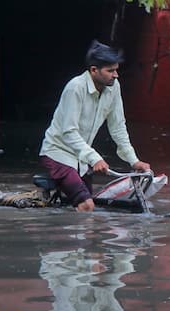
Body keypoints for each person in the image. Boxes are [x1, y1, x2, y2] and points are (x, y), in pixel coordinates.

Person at [38, 40, 152, 212]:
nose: (116, 75)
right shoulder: (75, 88)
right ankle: (74, 238)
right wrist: (94, 158)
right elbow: (69, 132)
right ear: (93, 70)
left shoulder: (113, 88)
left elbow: (118, 127)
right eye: (110, 71)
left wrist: (133, 160)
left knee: (89, 203)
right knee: (86, 205)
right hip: (58, 154)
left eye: (116, 70)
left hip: (81, 159)